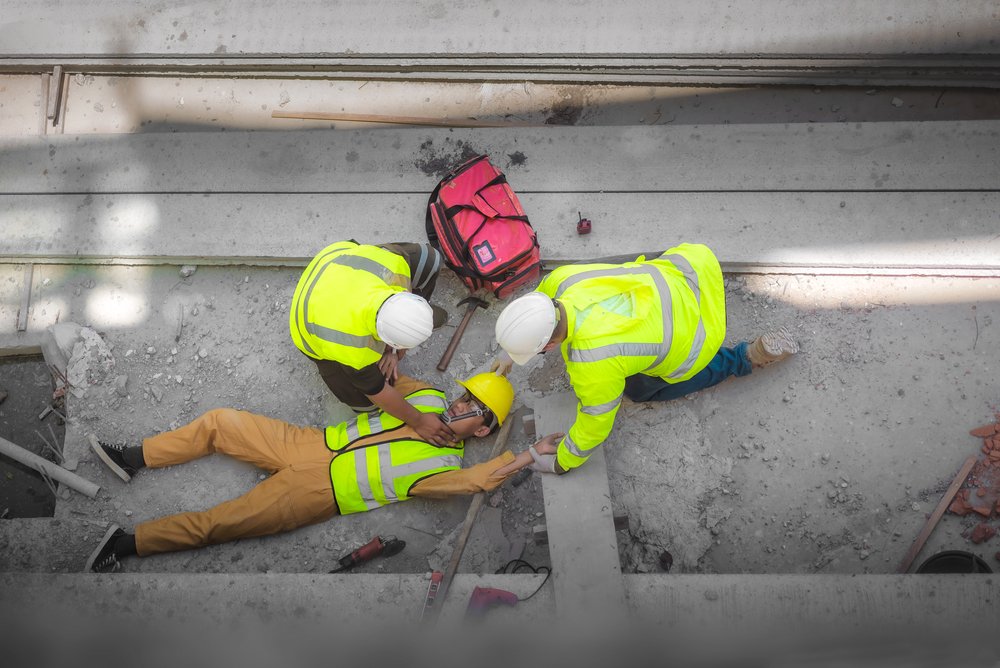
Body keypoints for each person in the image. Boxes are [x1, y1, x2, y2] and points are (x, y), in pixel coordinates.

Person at [85, 373, 561, 573]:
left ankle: (125, 544)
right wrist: (391, 359)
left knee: (219, 522)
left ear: (482, 433)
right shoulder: (430, 398)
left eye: (475, 408)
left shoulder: (442, 467)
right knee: (220, 422)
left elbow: (477, 482)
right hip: (312, 442)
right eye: (466, 395)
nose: (460, 405)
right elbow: (385, 380)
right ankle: (129, 458)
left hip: (315, 493)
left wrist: (527, 455)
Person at [492, 243, 798, 475]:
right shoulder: (562, 281)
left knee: (637, 389)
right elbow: (537, 308)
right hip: (693, 272)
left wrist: (563, 461)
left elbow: (595, 422)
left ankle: (744, 358)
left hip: (701, 332)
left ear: (550, 344)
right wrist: (510, 353)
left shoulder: (592, 362)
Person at [289, 239, 455, 445]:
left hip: (334, 261)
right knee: (365, 404)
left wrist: (394, 352)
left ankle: (412, 322)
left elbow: (404, 297)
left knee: (429, 259)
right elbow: (376, 390)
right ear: (381, 338)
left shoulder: (395, 265)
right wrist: (419, 421)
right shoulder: (351, 347)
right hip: (308, 321)